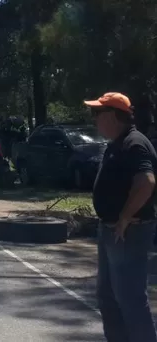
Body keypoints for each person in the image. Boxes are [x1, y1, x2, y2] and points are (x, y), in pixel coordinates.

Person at [84, 92, 157, 342]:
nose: (94, 119)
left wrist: (125, 217)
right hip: (111, 231)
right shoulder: (118, 143)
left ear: (114, 116)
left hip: (127, 232)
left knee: (130, 300)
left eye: (97, 114)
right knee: (108, 297)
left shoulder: (133, 143)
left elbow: (146, 182)